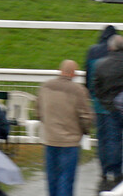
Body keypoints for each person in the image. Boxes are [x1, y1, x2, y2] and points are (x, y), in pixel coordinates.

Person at [38, 59, 94, 196]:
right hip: (70, 142)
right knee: (66, 179)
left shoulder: (45, 87)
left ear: (60, 71)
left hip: (50, 139)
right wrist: (85, 131)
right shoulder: (78, 91)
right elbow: (85, 117)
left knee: (52, 178)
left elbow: (38, 112)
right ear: (74, 74)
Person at [85, 25, 120, 190]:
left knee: (102, 138)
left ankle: (105, 170)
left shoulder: (93, 52)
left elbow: (89, 80)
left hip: (99, 103)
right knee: (115, 138)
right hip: (116, 105)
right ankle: (116, 169)